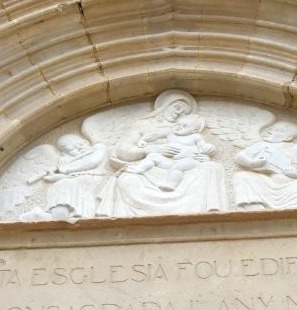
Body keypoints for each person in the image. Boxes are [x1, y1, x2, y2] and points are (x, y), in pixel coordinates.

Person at [97, 90, 227, 216]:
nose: (178, 113)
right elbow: (123, 151)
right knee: (127, 179)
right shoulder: (144, 125)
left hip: (183, 167)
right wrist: (151, 149)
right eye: (177, 107)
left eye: (183, 113)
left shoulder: (192, 135)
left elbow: (203, 147)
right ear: (164, 106)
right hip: (152, 168)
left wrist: (203, 155)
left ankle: (204, 213)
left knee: (212, 167)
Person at [233, 121, 297, 210]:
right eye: (271, 128)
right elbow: (239, 157)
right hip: (266, 182)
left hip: (290, 184)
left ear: (287, 138)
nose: (270, 131)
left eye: (277, 130)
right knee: (242, 176)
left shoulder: (296, 148)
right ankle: (256, 208)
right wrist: (252, 163)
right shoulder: (262, 145)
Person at [20, 134, 107, 220]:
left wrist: (68, 170)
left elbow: (93, 163)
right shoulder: (66, 160)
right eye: (73, 149)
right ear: (65, 153)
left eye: (81, 145)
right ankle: (58, 216)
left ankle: (73, 216)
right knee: (60, 184)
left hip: (90, 179)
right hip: (73, 181)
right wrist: (55, 177)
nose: (80, 149)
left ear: (86, 141)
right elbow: (67, 177)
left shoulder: (98, 147)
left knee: (67, 184)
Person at [123, 115, 214, 191]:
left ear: (194, 130)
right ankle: (140, 169)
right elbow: (154, 135)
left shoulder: (195, 137)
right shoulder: (170, 133)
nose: (179, 127)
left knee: (178, 167)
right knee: (152, 156)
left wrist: (208, 149)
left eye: (185, 126)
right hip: (170, 161)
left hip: (189, 161)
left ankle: (171, 185)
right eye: (178, 124)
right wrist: (142, 140)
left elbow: (203, 146)